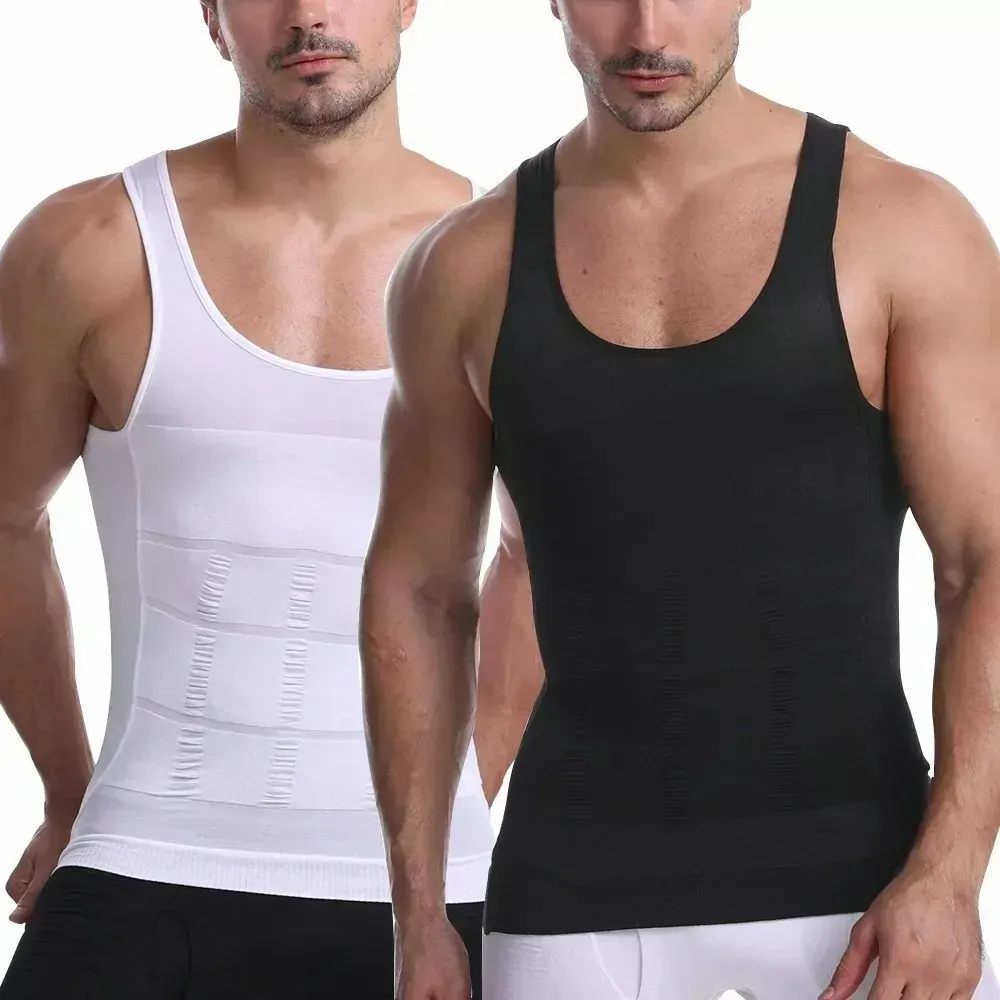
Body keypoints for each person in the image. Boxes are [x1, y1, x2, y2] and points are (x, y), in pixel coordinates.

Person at [359, 0, 1000, 998]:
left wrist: (951, 872)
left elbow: (982, 559)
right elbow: (420, 591)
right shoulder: (462, 266)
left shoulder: (901, 224)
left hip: (864, 894)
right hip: (569, 893)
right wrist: (419, 913)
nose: (648, 29)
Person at [0, 1, 542, 996]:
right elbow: (4, 520)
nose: (308, 15)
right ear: (211, 15)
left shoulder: (513, 264)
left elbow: (544, 551)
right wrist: (69, 788)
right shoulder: (91, 244)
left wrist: (461, 792)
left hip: (429, 907)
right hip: (141, 862)